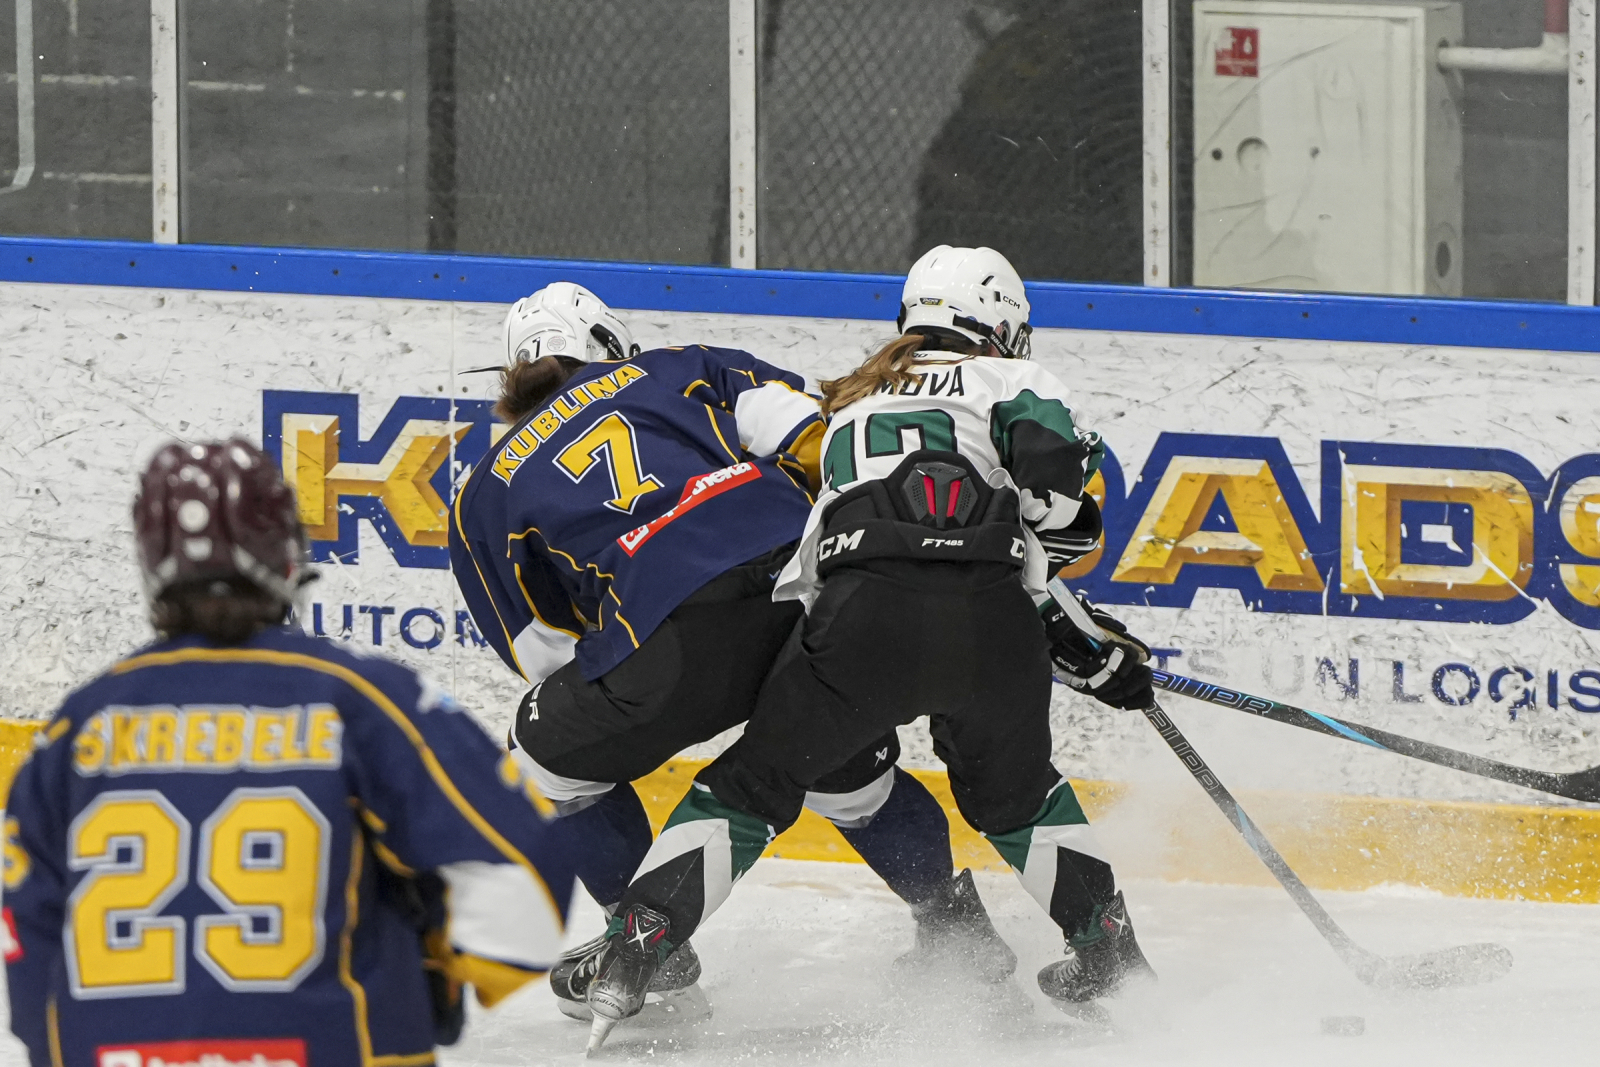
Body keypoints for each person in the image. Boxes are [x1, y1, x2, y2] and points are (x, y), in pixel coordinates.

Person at [585, 246, 1158, 1049]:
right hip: (990, 627)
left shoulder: (852, 401)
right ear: (999, 322)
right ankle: (1109, 953)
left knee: (751, 786)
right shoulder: (1011, 379)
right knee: (1018, 797)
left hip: (857, 624)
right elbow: (1047, 505)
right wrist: (1081, 636)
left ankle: (635, 944)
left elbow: (876, 536)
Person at [448, 283, 1012, 1022]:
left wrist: (635, 689)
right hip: (806, 589)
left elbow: (543, 649)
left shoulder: (483, 490)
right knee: (849, 776)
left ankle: (646, 951)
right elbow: (820, 442)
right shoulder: (677, 364)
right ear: (610, 346)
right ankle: (956, 930)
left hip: (666, 641)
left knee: (542, 760)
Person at [2, 438, 574, 1067]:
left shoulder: (77, 724)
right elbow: (523, 887)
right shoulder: (360, 699)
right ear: (285, 551)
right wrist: (434, 976)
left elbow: (26, 934)